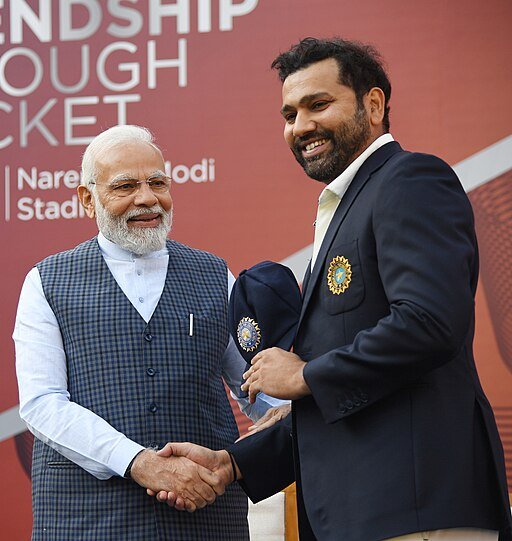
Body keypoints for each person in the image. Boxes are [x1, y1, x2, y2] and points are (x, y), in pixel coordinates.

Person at [153, 38, 512, 541]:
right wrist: (231, 465)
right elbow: (343, 398)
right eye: (289, 113)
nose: (301, 126)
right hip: (358, 514)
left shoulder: (409, 180)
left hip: (416, 512)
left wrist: (307, 374)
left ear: (373, 105)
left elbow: (430, 323)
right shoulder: (344, 207)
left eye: (318, 105)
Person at [13, 125, 286, 541]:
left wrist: (282, 418)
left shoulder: (215, 275)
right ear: (88, 199)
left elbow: (257, 386)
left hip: (205, 517)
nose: (147, 198)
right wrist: (139, 461)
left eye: (157, 182)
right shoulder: (46, 282)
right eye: (125, 186)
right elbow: (42, 404)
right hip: (86, 519)